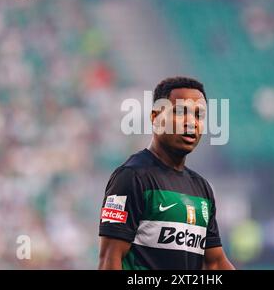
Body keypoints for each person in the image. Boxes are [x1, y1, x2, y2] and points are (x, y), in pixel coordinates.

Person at [98, 76, 234, 270]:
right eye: (180, 112)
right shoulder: (132, 177)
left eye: (199, 115)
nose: (191, 123)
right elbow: (109, 261)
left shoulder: (201, 189)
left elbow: (215, 263)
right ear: (155, 118)